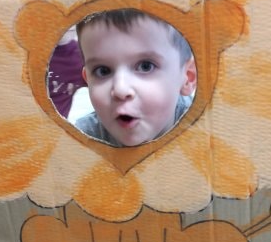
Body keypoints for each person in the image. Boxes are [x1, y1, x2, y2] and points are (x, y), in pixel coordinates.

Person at [75, 9, 197, 147]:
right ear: (87, 80)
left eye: (146, 66)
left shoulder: (205, 130)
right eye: (103, 71)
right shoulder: (80, 140)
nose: (121, 89)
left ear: (188, 78)